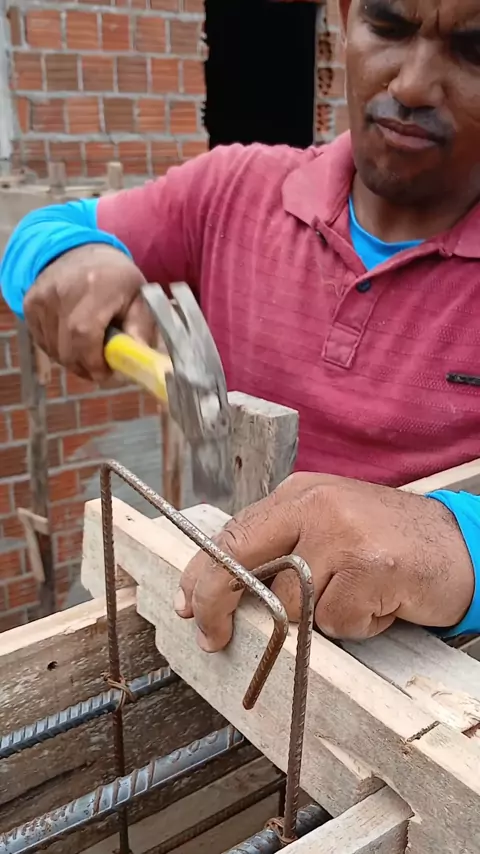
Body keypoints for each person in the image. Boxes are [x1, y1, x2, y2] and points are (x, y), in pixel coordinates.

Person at [1, 0, 480, 651]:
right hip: (221, 628)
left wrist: (456, 541)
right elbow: (43, 231)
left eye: (473, 49)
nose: (414, 84)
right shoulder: (232, 191)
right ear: (344, 19)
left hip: (423, 679)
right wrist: (66, 256)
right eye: (389, 27)